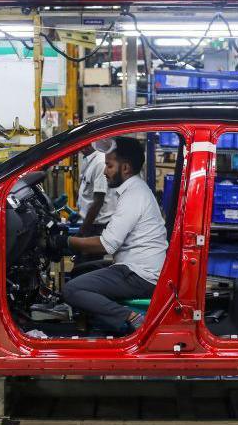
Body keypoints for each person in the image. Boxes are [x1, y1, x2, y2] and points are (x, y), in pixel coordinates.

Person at [60, 137, 169, 334]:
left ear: (125, 168)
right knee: (79, 271)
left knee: (71, 289)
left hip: (139, 275)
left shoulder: (134, 195)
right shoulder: (134, 190)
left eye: (109, 166)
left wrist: (67, 242)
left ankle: (131, 318)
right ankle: (90, 325)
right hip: (135, 267)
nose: (104, 171)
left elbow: (106, 244)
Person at [74, 145, 115, 260]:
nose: (82, 147)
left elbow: (98, 201)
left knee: (86, 266)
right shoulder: (89, 160)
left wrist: (81, 233)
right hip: (90, 223)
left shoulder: (100, 163)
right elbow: (89, 195)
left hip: (96, 227)